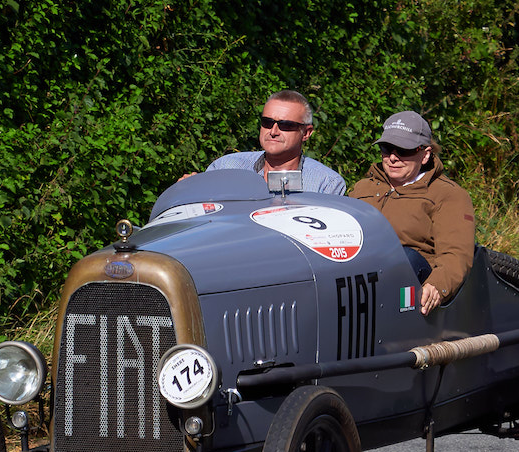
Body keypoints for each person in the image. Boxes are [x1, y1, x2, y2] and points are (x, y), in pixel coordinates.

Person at [349, 111, 475, 315]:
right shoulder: (363, 188)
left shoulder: (448, 195)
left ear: (425, 154)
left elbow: (455, 255)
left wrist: (437, 286)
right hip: (359, 277)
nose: (392, 157)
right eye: (386, 148)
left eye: (403, 150)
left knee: (405, 258)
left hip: (411, 285)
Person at [196, 90, 347, 194]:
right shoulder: (225, 167)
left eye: (286, 125)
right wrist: (190, 188)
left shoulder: (326, 184)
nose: (273, 131)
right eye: (267, 122)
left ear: (306, 133)